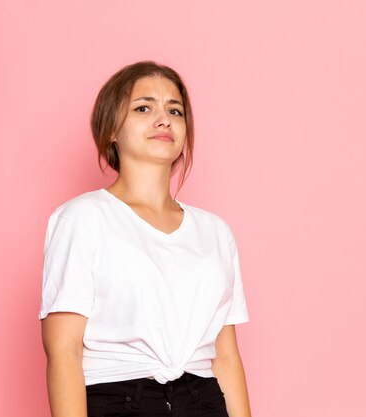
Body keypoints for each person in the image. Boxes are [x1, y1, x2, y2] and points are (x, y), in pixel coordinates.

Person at [39, 61, 252, 417]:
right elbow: (63, 350)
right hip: (120, 399)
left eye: (175, 110)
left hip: (203, 400)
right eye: (143, 107)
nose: (164, 119)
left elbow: (226, 355)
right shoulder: (83, 218)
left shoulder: (215, 232)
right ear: (110, 130)